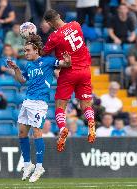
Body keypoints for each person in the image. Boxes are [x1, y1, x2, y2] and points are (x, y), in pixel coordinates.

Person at [7, 34, 71, 182]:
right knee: (22, 133)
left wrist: (67, 61)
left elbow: (64, 64)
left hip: (40, 103)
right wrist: (16, 68)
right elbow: (22, 80)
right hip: (27, 101)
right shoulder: (28, 65)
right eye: (24, 51)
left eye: (28, 50)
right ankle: (28, 164)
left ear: (36, 50)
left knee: (37, 133)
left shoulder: (48, 61)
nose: (26, 53)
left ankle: (40, 166)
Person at [43, 9, 96, 153]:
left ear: (49, 22)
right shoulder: (76, 24)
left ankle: (62, 129)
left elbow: (43, 53)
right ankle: (91, 122)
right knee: (85, 103)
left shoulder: (55, 36)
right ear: (59, 16)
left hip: (69, 72)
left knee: (60, 106)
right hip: (85, 70)